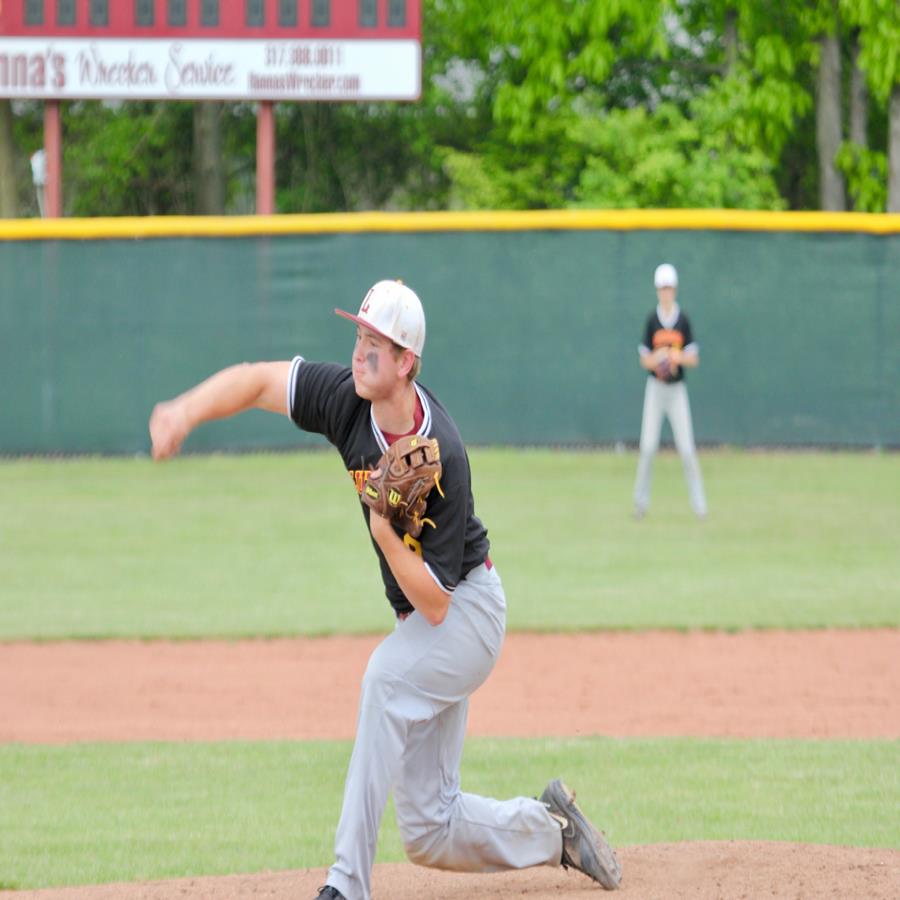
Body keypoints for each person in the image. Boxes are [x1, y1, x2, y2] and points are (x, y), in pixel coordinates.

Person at [149, 279, 622, 900]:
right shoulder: (346, 400)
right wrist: (185, 411)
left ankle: (346, 884)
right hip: (424, 624)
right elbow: (260, 381)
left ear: (405, 362)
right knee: (430, 830)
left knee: (383, 680)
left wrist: (383, 531)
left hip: (468, 614)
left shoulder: (444, 452)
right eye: (358, 334)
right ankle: (554, 831)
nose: (359, 351)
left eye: (376, 342)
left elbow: (437, 604)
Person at [634, 263, 708, 520]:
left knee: (687, 450)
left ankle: (700, 506)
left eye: (669, 288)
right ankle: (640, 504)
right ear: (657, 290)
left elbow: (693, 358)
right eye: (662, 288)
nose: (665, 292)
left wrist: (677, 356)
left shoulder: (682, 320)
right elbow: (644, 360)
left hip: (677, 391)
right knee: (647, 448)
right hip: (655, 390)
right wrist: (659, 357)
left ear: (674, 290)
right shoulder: (652, 321)